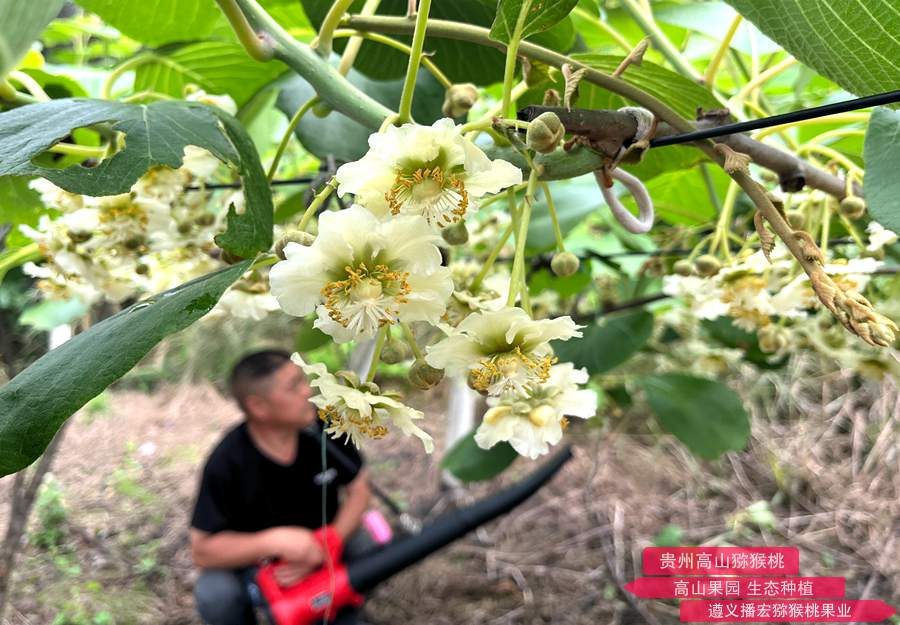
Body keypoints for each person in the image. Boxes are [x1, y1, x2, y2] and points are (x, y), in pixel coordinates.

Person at [190, 350, 372, 625]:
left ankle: (342, 608)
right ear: (258, 406)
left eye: (304, 380)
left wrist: (327, 543)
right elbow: (202, 551)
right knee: (215, 593)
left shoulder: (326, 429)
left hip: (323, 549)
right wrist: (274, 542)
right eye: (293, 386)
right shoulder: (226, 461)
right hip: (258, 565)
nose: (307, 391)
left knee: (366, 544)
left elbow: (360, 488)